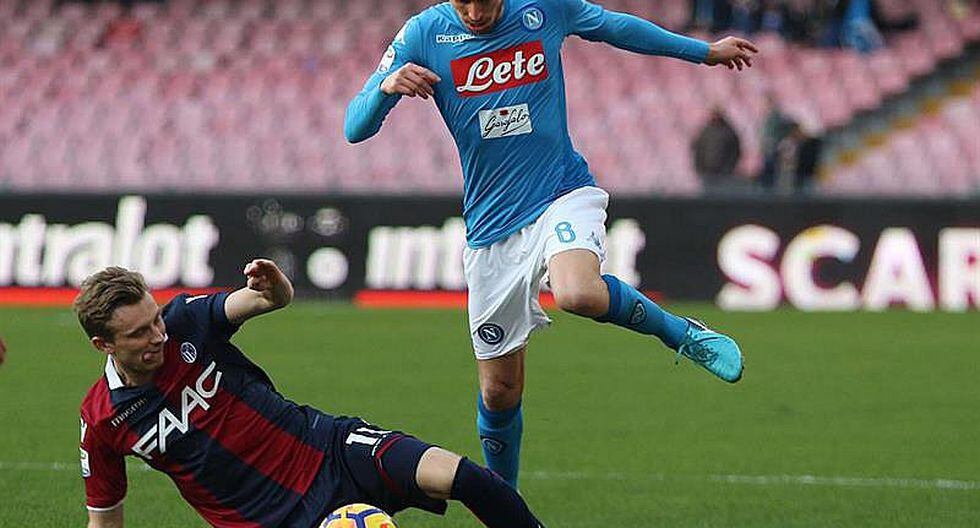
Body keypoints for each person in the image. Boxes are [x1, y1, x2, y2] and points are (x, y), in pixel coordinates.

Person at [345, 0, 756, 489]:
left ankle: (682, 334)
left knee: (577, 292)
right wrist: (386, 89)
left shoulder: (544, 8)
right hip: (492, 228)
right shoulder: (423, 33)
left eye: (484, 0)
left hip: (561, 193)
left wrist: (704, 52)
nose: (474, 12)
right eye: (463, 1)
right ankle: (507, 504)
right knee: (499, 392)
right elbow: (354, 127)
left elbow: (616, 27)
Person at [75, 260, 544, 528]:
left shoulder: (185, 321)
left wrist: (273, 285)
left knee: (468, 478)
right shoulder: (103, 420)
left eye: (155, 319)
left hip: (329, 448)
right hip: (267, 521)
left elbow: (266, 299)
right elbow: (105, 519)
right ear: (104, 345)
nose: (157, 335)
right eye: (139, 333)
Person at [692, 107, 743, 188]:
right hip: (706, 173)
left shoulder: (728, 132)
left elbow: (735, 152)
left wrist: (728, 168)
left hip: (724, 175)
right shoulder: (705, 132)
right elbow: (697, 149)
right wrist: (699, 168)